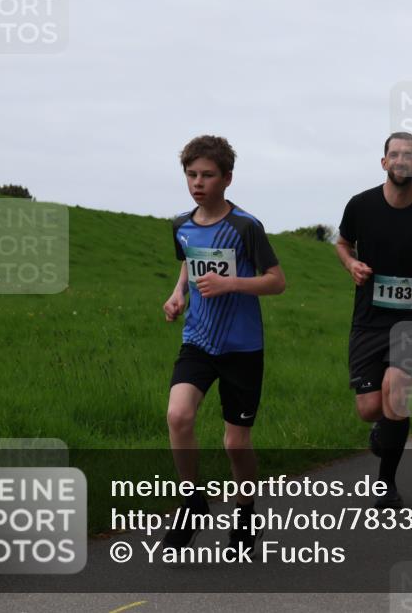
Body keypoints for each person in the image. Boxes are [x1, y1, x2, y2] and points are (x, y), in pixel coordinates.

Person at [162, 135, 286, 555]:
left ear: (227, 178)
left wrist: (231, 282)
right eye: (192, 174)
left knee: (235, 444)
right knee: (178, 415)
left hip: (242, 348)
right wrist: (179, 293)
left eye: (207, 175)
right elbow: (188, 259)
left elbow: (277, 281)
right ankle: (192, 501)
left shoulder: (245, 227)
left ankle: (246, 512)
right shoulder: (181, 224)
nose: (198, 182)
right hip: (197, 340)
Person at [336, 132, 412, 509]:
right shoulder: (361, 205)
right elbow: (342, 242)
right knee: (370, 407)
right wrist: (351, 263)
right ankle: (382, 428)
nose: (402, 160)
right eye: (395, 154)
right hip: (369, 318)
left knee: (397, 387)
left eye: (409, 155)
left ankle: (385, 484)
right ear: (384, 162)